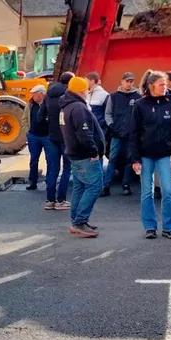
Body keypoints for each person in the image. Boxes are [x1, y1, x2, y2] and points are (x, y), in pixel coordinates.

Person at [130, 71, 171, 239]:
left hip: (163, 154)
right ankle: (150, 227)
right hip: (145, 155)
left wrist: (168, 142)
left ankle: (169, 228)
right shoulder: (140, 105)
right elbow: (134, 133)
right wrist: (135, 158)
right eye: (161, 85)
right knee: (147, 193)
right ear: (151, 86)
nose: (164, 87)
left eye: (165, 84)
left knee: (168, 191)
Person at [60, 76, 106, 237]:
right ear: (81, 91)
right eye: (86, 89)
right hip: (85, 156)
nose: (88, 92)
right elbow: (84, 133)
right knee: (95, 186)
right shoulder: (79, 108)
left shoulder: (66, 106)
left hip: (74, 154)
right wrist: (93, 152)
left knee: (79, 187)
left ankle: (76, 222)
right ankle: (80, 221)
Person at [103, 72, 139, 196]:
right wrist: (112, 125)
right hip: (116, 133)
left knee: (129, 160)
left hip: (131, 134)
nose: (129, 84)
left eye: (131, 81)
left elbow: (139, 116)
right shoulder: (113, 96)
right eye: (127, 81)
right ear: (122, 81)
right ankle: (106, 185)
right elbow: (107, 114)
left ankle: (126, 185)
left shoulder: (137, 97)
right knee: (112, 159)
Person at [44, 71, 74, 210]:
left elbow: (40, 116)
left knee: (53, 168)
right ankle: (61, 200)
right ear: (69, 82)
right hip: (65, 137)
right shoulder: (68, 95)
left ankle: (50, 200)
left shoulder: (48, 95)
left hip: (52, 136)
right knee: (67, 168)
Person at [21, 84, 52, 191]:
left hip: (47, 137)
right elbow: (24, 118)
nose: (33, 95)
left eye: (35, 93)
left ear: (41, 94)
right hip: (33, 136)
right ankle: (32, 182)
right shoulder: (30, 105)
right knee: (33, 160)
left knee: (50, 159)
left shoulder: (49, 104)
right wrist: (28, 131)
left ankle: (50, 182)